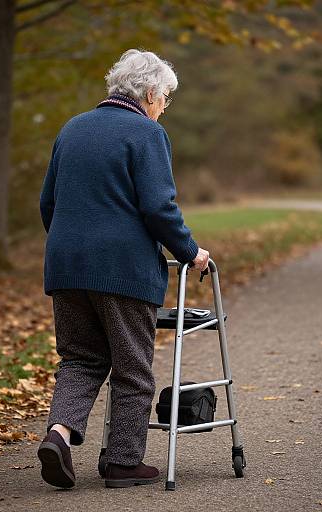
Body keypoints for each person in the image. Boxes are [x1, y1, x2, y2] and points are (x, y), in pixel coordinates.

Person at [37, 48, 209, 489]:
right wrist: (190, 251)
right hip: (123, 269)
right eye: (166, 99)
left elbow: (48, 203)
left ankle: (58, 434)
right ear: (150, 94)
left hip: (66, 265)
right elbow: (158, 207)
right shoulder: (146, 134)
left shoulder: (72, 128)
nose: (164, 108)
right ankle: (123, 462)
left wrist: (71, 248)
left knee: (80, 358)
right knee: (132, 367)